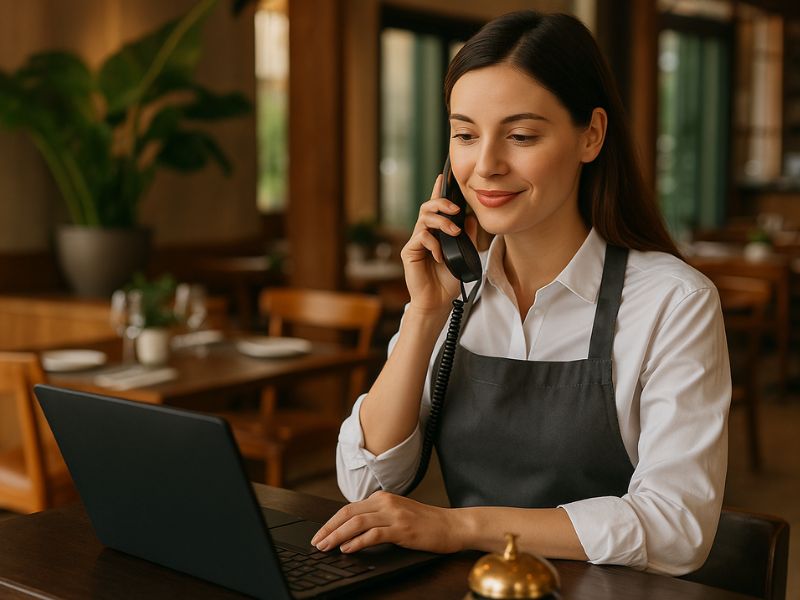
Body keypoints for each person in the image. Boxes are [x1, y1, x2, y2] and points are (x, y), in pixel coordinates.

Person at [311, 10, 730, 575]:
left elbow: (678, 528)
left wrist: (460, 526)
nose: (484, 167)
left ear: (591, 135)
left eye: (521, 136)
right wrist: (423, 314)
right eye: (464, 134)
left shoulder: (672, 302)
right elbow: (364, 480)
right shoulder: (454, 293)